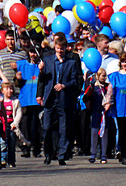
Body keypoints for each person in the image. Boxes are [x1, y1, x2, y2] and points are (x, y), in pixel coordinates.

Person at [37, 33, 80, 165]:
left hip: (64, 98)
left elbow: (75, 80)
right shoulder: (48, 60)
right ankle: (48, 153)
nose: (60, 51)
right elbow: (42, 79)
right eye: (57, 48)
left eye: (62, 49)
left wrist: (64, 85)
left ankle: (61, 155)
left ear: (66, 48)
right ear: (54, 48)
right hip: (50, 98)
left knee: (63, 128)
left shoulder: (71, 63)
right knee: (47, 127)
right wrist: (41, 72)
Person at [84, 67, 114, 164]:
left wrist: (107, 105)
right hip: (95, 111)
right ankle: (93, 153)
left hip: (104, 112)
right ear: (98, 76)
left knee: (104, 133)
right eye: (103, 75)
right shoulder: (93, 86)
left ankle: (104, 154)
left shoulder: (107, 86)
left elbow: (110, 96)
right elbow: (86, 97)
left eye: (105, 76)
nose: (105, 77)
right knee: (94, 132)